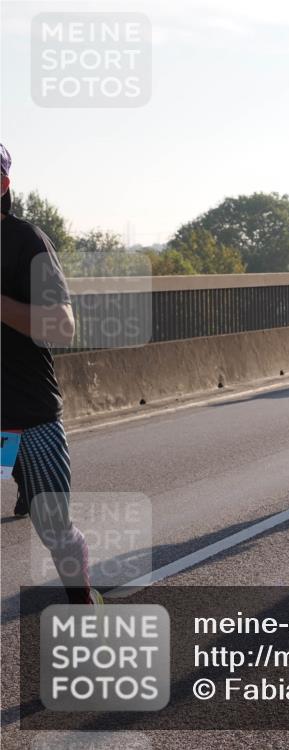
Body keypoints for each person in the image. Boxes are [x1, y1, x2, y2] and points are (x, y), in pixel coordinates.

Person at [1, 143, 99, 606]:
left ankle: (83, 602)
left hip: (26, 414)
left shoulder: (27, 242)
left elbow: (62, 326)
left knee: (55, 530)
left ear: (2, 184)